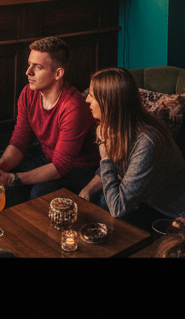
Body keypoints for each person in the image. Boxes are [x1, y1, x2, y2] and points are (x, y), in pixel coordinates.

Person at [0, 37, 100, 200]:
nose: (28, 72)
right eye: (29, 64)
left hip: (78, 167)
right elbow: (20, 141)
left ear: (58, 73)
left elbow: (60, 166)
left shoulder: (73, 107)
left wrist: (12, 179)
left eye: (38, 67)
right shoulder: (28, 93)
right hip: (48, 155)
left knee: (39, 191)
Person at [77, 67, 185, 226]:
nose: (87, 100)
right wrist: (88, 189)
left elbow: (118, 209)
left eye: (92, 95)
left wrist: (105, 157)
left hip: (165, 213)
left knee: (103, 216)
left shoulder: (147, 141)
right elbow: (114, 170)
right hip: (140, 198)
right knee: (89, 199)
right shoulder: (115, 126)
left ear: (109, 102)